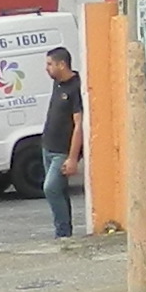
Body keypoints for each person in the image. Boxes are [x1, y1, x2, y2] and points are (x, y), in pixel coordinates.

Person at [42, 43, 86, 237]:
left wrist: (73, 157)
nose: (46, 68)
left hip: (62, 151)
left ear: (62, 65)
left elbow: (79, 124)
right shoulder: (57, 83)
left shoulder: (76, 87)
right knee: (59, 191)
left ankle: (62, 232)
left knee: (50, 188)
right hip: (48, 146)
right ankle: (64, 231)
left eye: (49, 64)